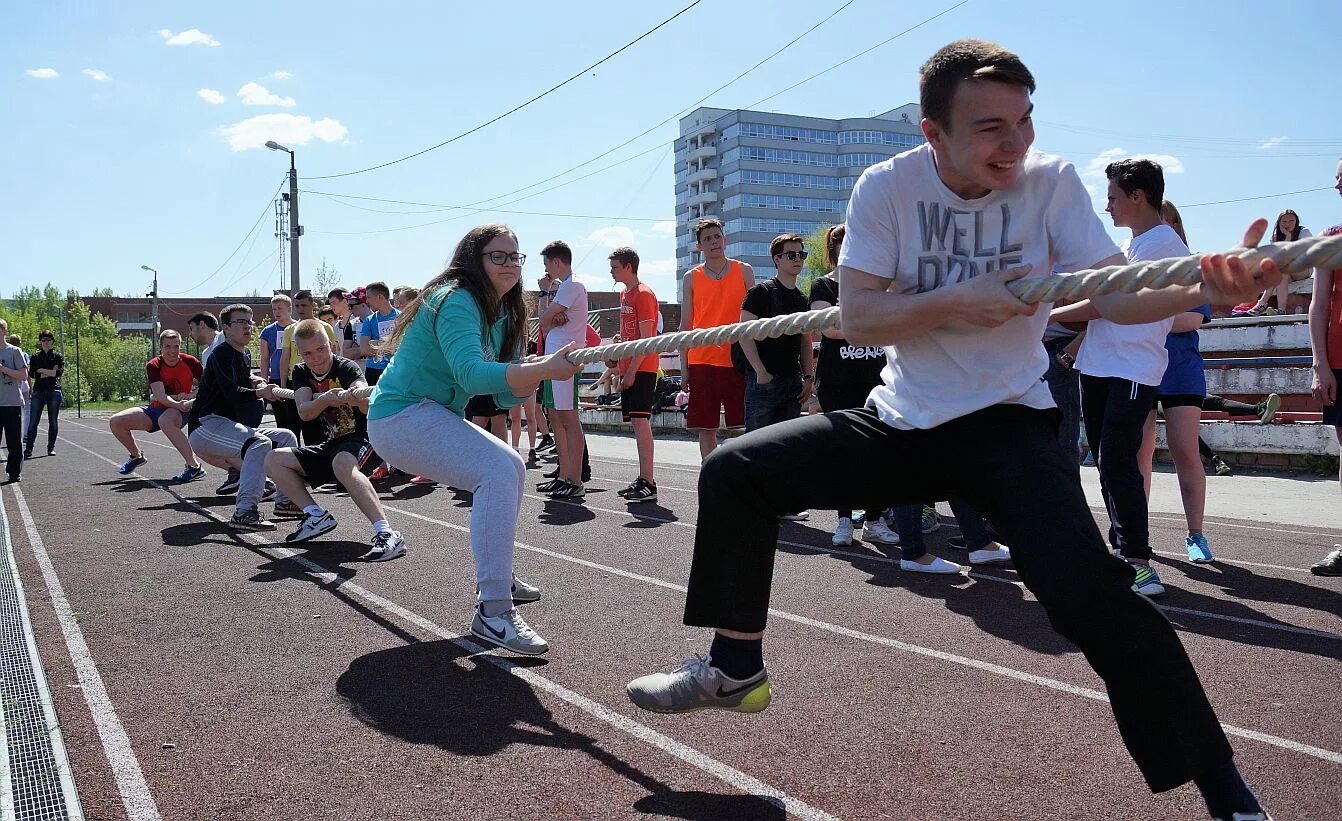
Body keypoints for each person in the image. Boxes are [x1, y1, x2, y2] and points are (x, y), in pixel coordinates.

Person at [626, 40, 1277, 821]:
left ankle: (1226, 790)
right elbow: (860, 313)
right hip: (903, 421)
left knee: (1095, 600)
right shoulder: (888, 187)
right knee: (734, 470)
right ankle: (735, 665)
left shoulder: (1052, 184)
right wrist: (958, 300)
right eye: (992, 128)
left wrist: (1209, 283)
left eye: (1025, 122)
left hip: (1009, 424)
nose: (1016, 144)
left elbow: (1115, 293)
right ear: (933, 133)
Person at [366, 223, 581, 655]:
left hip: (430, 413)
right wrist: (540, 370)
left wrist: (533, 370)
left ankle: (498, 575)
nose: (509, 265)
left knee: (512, 467)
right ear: (474, 260)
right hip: (398, 418)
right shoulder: (457, 300)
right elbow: (469, 373)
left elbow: (501, 393)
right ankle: (494, 610)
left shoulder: (505, 312)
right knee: (499, 469)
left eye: (514, 257)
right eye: (497, 256)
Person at [1055, 158, 1185, 597]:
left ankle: (1139, 561)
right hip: (1099, 365)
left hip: (1132, 368)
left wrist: (1042, 316)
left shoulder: (1163, 246)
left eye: (1113, 197)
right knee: (1107, 462)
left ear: (1137, 196)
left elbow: (1102, 303)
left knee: (1116, 460)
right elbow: (1099, 306)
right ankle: (1124, 553)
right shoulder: (1132, 247)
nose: (1107, 206)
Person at [264, 319, 406, 560]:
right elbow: (304, 411)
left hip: (363, 442)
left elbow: (364, 401)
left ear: (331, 344)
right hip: (330, 446)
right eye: (308, 353)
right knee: (274, 459)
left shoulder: (346, 367)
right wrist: (326, 399)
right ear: (301, 353)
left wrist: (356, 397)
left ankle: (387, 533)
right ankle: (315, 515)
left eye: (321, 349)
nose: (316, 358)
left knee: (342, 463)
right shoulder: (300, 371)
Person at [187, 304, 296, 530]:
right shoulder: (220, 355)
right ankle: (245, 511)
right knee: (259, 443)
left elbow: (241, 382)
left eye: (250, 321)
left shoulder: (243, 354)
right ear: (225, 328)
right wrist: (259, 391)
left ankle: (285, 501)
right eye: (241, 322)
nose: (248, 326)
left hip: (227, 425)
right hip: (205, 427)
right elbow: (232, 393)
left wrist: (255, 381)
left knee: (286, 438)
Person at [681, 217, 754, 459]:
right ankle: (710, 475)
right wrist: (684, 369)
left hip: (738, 358)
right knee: (706, 427)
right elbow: (686, 325)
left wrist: (759, 364)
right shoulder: (691, 277)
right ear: (699, 246)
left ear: (725, 238)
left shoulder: (744, 271)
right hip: (702, 360)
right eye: (707, 239)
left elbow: (755, 319)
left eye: (717, 236)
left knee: (744, 425)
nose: (714, 242)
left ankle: (744, 476)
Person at [108, 330, 207, 482]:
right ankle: (136, 456)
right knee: (116, 421)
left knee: (165, 421)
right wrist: (177, 403)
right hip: (161, 407)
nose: (172, 351)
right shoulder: (154, 365)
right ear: (160, 348)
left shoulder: (190, 361)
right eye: (167, 347)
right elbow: (160, 396)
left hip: (181, 409)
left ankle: (194, 467)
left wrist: (192, 396)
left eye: (176, 346)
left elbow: (207, 385)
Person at [738, 234, 815, 431]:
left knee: (786, 447)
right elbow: (743, 334)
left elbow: (805, 341)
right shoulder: (760, 292)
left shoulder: (802, 299)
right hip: (763, 381)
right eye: (791, 254)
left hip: (792, 383)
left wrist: (808, 377)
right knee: (756, 446)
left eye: (801, 254)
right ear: (777, 259)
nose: (797, 258)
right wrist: (760, 371)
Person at [1308, 156, 1342, 577]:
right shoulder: (1330, 238)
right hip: (1339, 360)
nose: (1339, 185)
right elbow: (1318, 306)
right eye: (1337, 177)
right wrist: (1320, 365)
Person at [536, 241, 589, 499]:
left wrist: (550, 313)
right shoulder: (565, 287)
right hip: (555, 358)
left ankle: (574, 479)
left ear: (557, 262)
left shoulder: (571, 285)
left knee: (568, 418)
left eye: (547, 264)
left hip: (566, 358)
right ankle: (564, 475)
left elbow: (545, 319)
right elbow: (545, 320)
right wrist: (551, 315)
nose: (546, 270)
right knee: (556, 416)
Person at [609, 247, 659, 502]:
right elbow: (631, 334)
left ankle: (648, 482)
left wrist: (630, 372)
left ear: (629, 266)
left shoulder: (643, 294)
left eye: (615, 266)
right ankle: (644, 478)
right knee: (636, 424)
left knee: (641, 423)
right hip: (628, 366)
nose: (611, 271)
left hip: (642, 368)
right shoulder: (624, 294)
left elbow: (648, 338)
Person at [1241, 209, 1312, 316]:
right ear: (1279, 223)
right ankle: (1280, 310)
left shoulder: (1304, 232)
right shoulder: (1275, 237)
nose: (1287, 224)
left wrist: (1288, 238)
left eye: (1291, 221)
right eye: (1284, 221)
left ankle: (1262, 303)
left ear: (1296, 221)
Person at [259, 294, 300, 444]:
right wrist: (264, 381)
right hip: (276, 378)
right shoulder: (267, 331)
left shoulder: (298, 328)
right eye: (274, 309)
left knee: (296, 418)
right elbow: (264, 358)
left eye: (280, 308)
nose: (277, 312)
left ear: (289, 309)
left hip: (294, 377)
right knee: (281, 419)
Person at [22, 329, 63, 459]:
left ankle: (51, 448)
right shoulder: (35, 357)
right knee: (33, 421)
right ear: (40, 342)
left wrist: (42, 371)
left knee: (53, 421)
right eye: (44, 340)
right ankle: (29, 449)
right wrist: (50, 371)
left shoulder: (57, 356)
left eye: (49, 340)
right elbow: (32, 374)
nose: (46, 342)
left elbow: (59, 372)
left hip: (53, 390)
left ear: (52, 342)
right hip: (39, 391)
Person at [0, 320, 27, 484]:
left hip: (11, 402)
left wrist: (3, 369)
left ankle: (14, 472)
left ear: (4, 330)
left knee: (13, 440)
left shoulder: (14, 351)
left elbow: (23, 375)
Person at [358, 282, 399, 386]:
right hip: (373, 371)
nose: (367, 301)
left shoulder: (401, 317)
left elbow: (403, 346)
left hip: (396, 368)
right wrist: (390, 346)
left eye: (369, 297)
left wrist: (377, 343)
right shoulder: (369, 320)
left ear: (380, 297)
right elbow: (364, 349)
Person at [8, 336, 30, 454]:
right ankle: (24, 434)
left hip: (17, 386)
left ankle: (22, 435)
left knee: (22, 412)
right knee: (25, 411)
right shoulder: (22, 353)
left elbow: (26, 373)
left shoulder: (15, 353)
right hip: (19, 386)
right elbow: (28, 373)